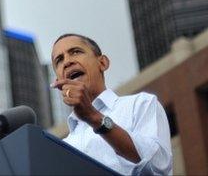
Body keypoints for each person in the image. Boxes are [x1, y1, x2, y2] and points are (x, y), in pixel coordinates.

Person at [51, 33, 172, 175]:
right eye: (59, 60)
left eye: (76, 52)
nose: (67, 62)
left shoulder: (140, 105)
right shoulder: (62, 147)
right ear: (57, 79)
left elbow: (158, 166)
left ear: (102, 63)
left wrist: (94, 117)